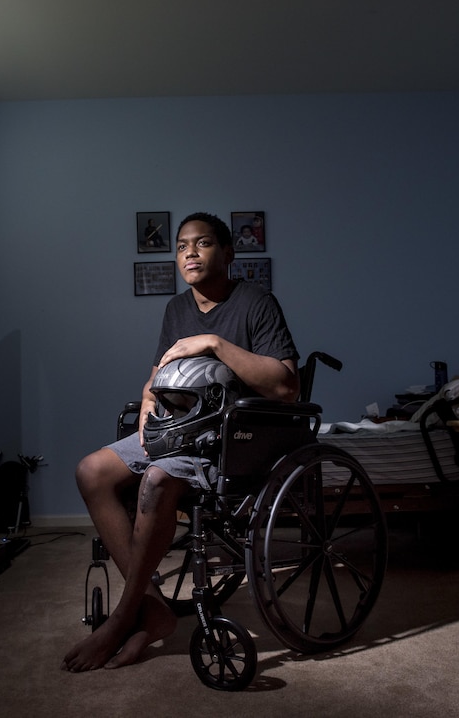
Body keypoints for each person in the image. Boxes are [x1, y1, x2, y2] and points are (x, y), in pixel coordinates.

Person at [62, 211, 299, 672]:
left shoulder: (257, 302)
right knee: (92, 470)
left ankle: (123, 619)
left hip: (230, 438)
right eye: (182, 245)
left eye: (204, 243)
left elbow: (287, 387)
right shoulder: (176, 309)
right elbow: (157, 377)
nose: (190, 252)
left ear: (228, 254)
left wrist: (213, 343)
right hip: (177, 428)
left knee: (155, 480)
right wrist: (149, 407)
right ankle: (152, 610)